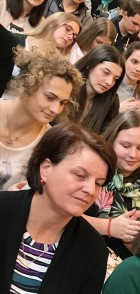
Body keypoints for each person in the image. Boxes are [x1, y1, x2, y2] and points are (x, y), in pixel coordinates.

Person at [0, 122, 115, 294]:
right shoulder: (3, 211)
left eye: (99, 183)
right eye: (80, 175)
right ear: (45, 168)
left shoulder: (92, 249)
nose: (90, 190)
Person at [84, 111, 140, 263]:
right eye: (125, 145)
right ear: (111, 140)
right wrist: (110, 227)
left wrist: (133, 243)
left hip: (125, 267)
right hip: (84, 255)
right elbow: (62, 214)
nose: (133, 154)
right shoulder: (91, 172)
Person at [0, 48, 81, 191]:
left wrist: (12, 198)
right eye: (50, 97)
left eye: (62, 102)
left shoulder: (49, 141)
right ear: (27, 85)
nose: (55, 109)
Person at [70, 45, 124, 134]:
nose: (109, 82)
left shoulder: (112, 102)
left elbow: (105, 138)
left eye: (115, 79)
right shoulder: (68, 86)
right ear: (90, 65)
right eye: (106, 72)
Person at [117, 41, 140, 114]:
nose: (138, 69)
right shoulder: (108, 84)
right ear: (124, 60)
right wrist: (118, 110)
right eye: (134, 62)